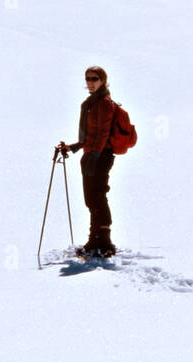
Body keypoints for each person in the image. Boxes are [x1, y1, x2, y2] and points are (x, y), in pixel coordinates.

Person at [57, 67, 117, 257]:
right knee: (91, 198)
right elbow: (89, 136)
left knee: (98, 196)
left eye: (95, 79)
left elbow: (103, 133)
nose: (90, 82)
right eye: (88, 79)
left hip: (101, 156)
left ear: (103, 81)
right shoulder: (91, 102)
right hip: (92, 155)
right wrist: (72, 147)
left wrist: (95, 155)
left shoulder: (104, 103)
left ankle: (105, 242)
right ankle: (94, 239)